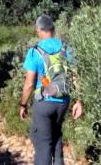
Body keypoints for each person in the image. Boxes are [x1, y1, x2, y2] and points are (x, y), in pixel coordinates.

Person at [19, 15, 83, 165]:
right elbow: (76, 76)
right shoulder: (66, 47)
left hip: (44, 104)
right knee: (56, 138)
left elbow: (29, 84)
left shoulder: (34, 52)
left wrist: (23, 104)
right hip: (63, 102)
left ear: (38, 31)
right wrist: (79, 101)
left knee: (43, 145)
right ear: (53, 29)